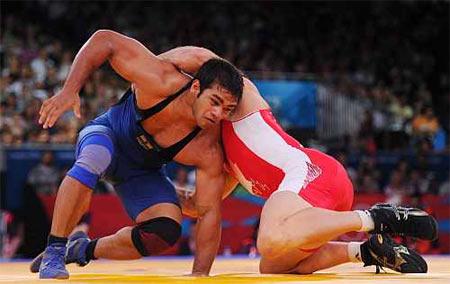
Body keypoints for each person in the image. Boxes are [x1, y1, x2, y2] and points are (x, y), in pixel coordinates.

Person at [166, 47, 438, 274]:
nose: (217, 112)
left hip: (315, 172)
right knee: (272, 265)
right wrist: (154, 186)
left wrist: (157, 65)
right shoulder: (227, 167)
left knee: (270, 238)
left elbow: (204, 58)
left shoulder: (241, 100)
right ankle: (367, 250)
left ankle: (378, 217)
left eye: (220, 104)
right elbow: (198, 206)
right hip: (314, 199)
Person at [31, 30, 243, 279]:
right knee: (94, 159)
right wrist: (70, 90)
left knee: (163, 231)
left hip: (141, 172)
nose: (218, 114)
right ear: (196, 87)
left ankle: (81, 249)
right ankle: (55, 249)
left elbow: (208, 212)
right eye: (215, 101)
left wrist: (199, 274)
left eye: (227, 109)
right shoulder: (161, 80)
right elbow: (104, 40)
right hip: (108, 135)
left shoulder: (207, 148)